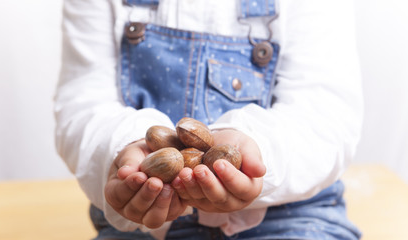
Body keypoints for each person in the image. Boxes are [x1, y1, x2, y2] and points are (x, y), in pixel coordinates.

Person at [54, 0, 363, 239]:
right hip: (143, 223)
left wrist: (254, 150)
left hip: (291, 215)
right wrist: (122, 149)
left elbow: (325, 113)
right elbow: (83, 104)